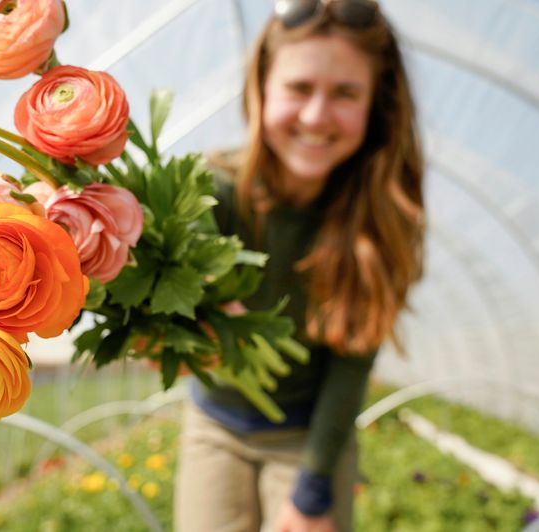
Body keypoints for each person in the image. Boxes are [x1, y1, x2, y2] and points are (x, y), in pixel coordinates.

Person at [174, 0, 424, 531]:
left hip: (306, 434)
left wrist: (313, 490)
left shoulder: (379, 222)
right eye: (299, 88)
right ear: (261, 87)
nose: (315, 116)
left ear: (376, 107)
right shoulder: (205, 192)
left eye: (345, 94)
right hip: (213, 422)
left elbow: (351, 363)